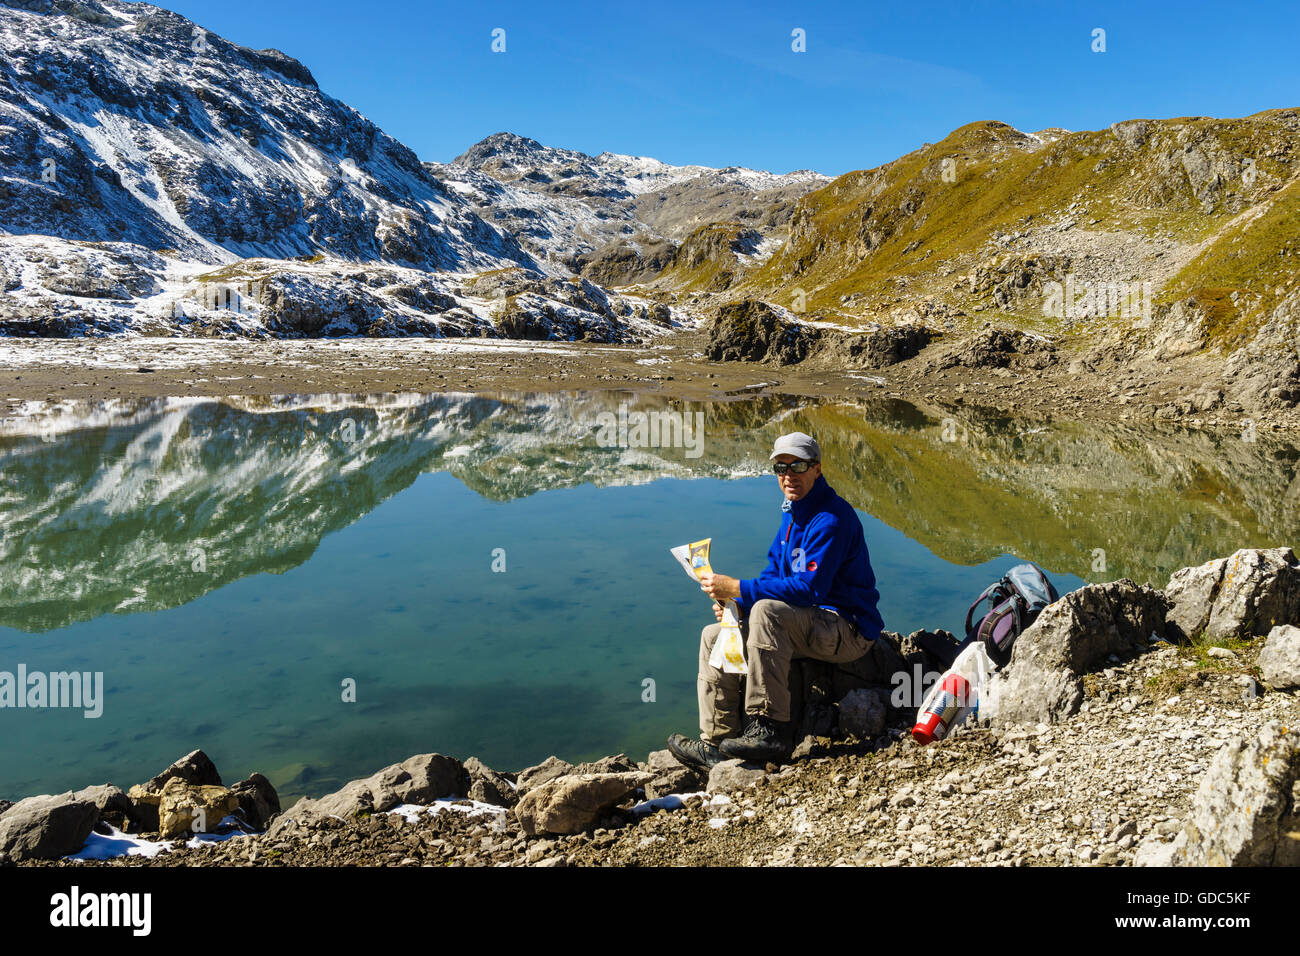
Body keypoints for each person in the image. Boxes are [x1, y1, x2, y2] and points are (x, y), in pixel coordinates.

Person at [667, 431, 884, 768]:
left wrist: (738, 587)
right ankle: (716, 741)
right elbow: (773, 576)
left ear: (817, 468)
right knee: (714, 635)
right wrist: (737, 605)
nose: (788, 476)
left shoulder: (831, 519)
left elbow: (807, 589)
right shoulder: (793, 513)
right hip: (808, 622)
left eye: (797, 466)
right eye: (781, 469)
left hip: (847, 628)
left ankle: (769, 728)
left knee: (767, 612)